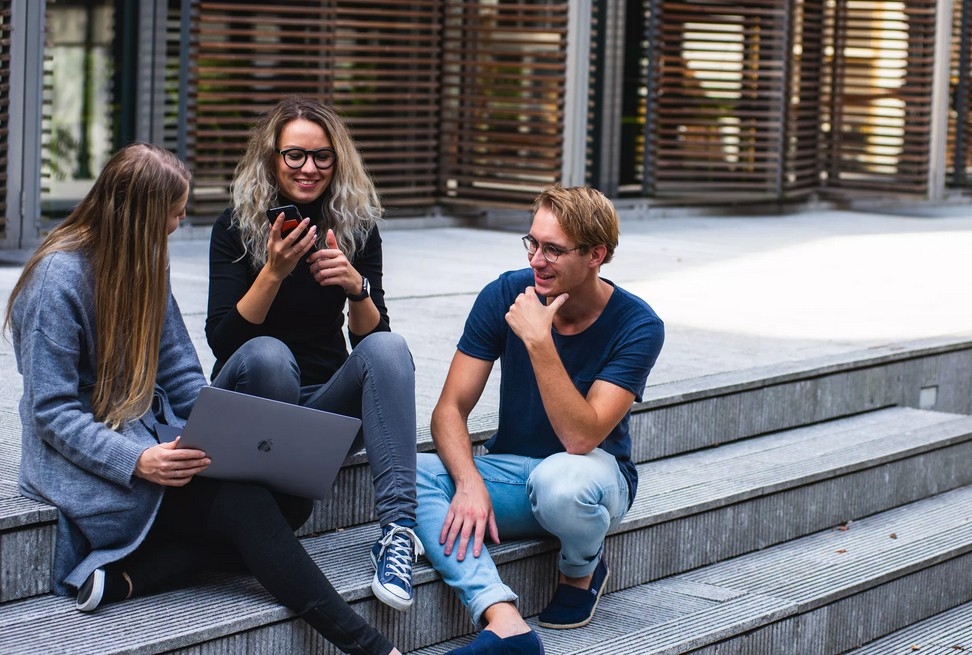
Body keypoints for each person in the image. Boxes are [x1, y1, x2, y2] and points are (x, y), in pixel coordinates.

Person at [5, 142, 401, 655]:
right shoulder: (55, 282)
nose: (179, 222)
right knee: (247, 506)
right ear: (139, 215)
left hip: (155, 442)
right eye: (174, 212)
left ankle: (137, 575)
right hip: (92, 464)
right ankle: (371, 647)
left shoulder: (145, 262)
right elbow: (52, 414)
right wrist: (138, 460)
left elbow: (182, 374)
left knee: (290, 501)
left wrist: (226, 429)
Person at [415, 185, 665, 655]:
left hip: (591, 475)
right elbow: (449, 409)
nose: (537, 259)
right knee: (412, 474)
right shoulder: (506, 293)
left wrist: (539, 341)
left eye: (553, 249)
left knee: (561, 482)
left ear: (596, 254)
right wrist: (468, 483)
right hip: (511, 471)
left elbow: (581, 436)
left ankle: (581, 569)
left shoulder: (638, 325)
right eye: (532, 243)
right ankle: (502, 618)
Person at [205, 96, 422, 612]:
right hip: (253, 402)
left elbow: (373, 344)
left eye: (322, 156)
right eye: (294, 155)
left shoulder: (356, 226)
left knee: (390, 349)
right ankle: (263, 511)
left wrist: (357, 288)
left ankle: (397, 533)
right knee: (269, 356)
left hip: (321, 412)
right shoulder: (235, 227)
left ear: (338, 160)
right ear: (272, 158)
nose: (309, 168)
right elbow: (224, 342)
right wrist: (274, 271)